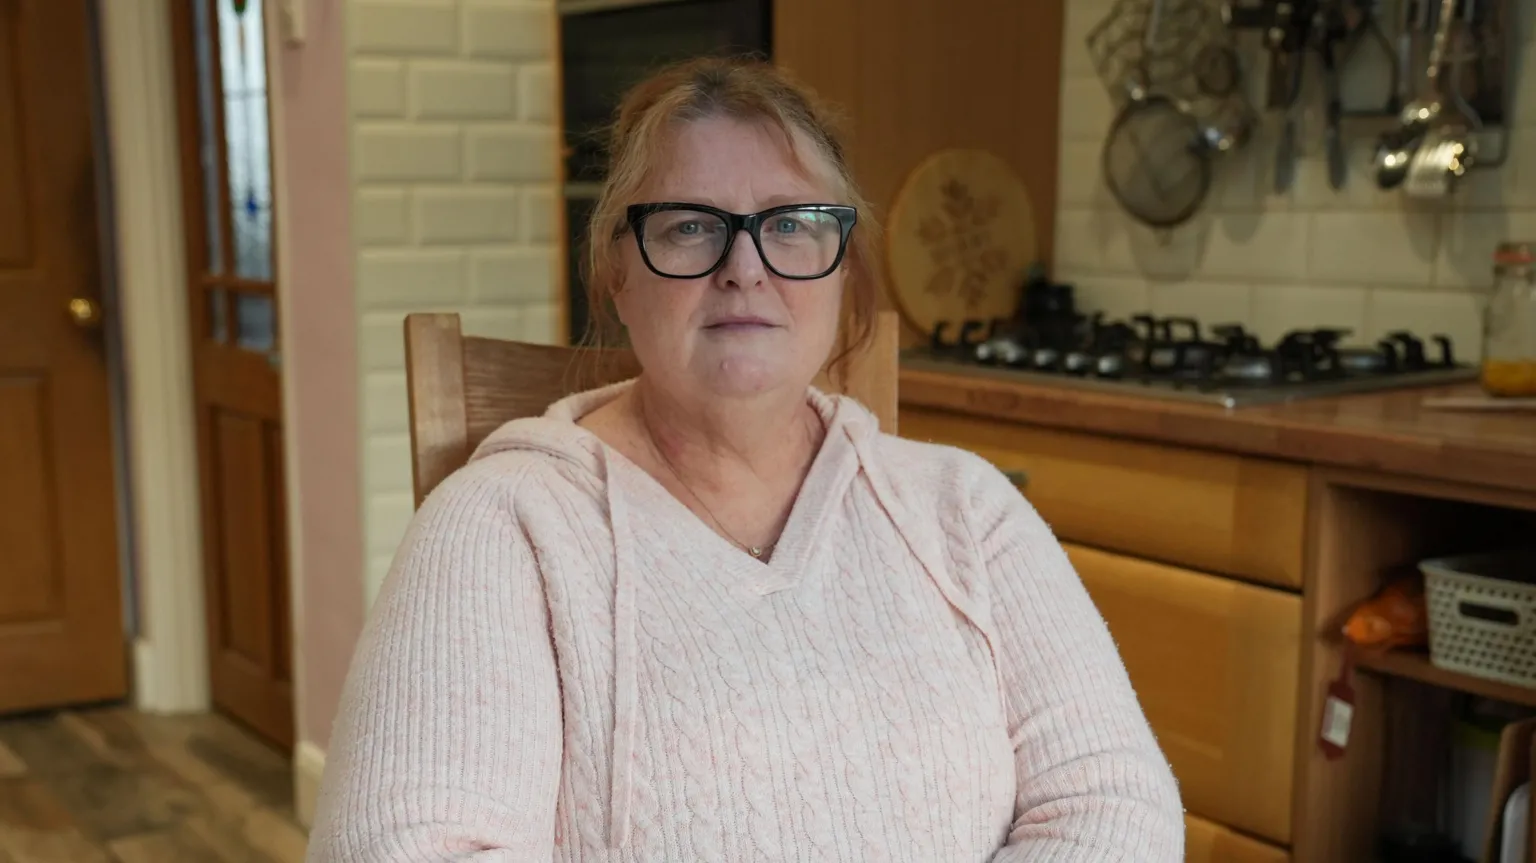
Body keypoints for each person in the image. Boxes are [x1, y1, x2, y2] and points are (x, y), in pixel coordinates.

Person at [305, 56, 1183, 862]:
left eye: (793, 224)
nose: (745, 268)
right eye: (691, 227)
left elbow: (1113, 801)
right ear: (619, 269)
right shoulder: (504, 528)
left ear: (841, 270)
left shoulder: (965, 510)